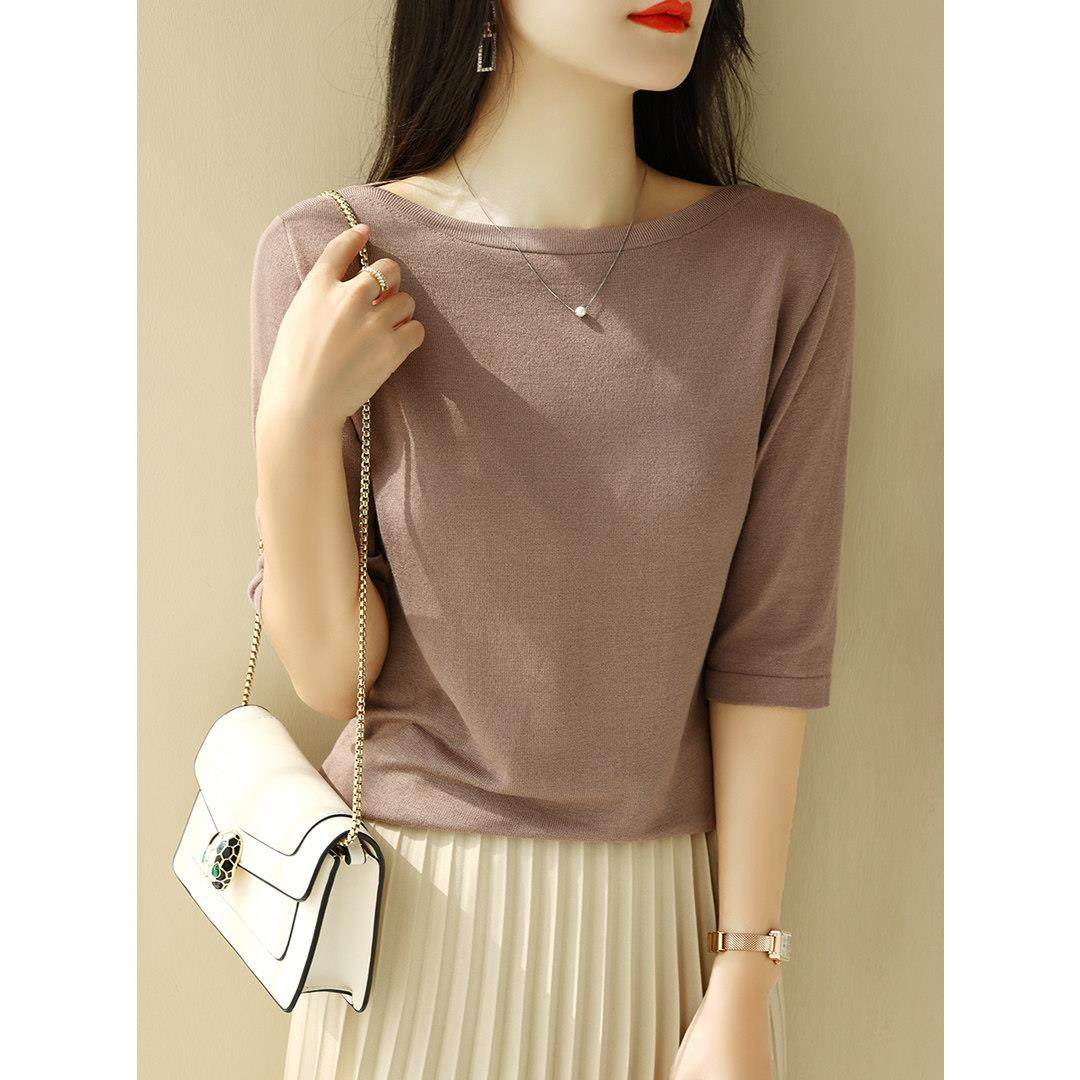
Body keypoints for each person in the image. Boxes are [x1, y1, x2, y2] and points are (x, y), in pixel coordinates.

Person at [248, 2, 855, 1078]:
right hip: (402, 945)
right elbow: (334, 676)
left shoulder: (783, 266)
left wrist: (745, 975)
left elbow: (769, 650)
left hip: (668, 950)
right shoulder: (333, 259)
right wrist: (292, 431)